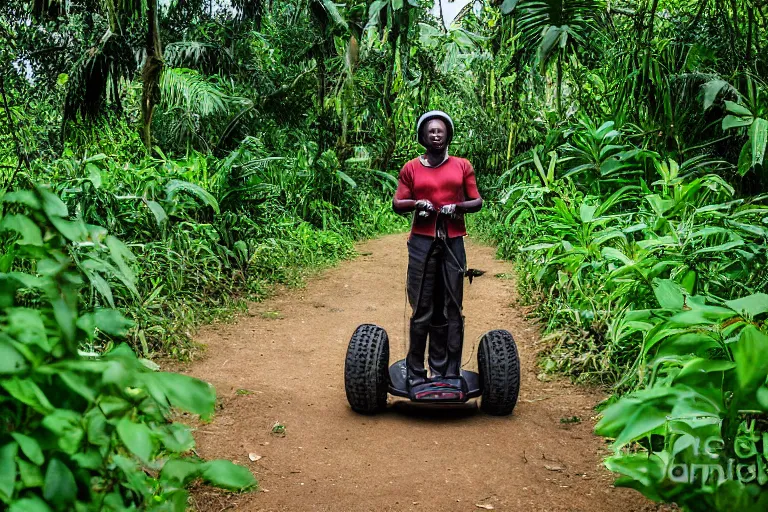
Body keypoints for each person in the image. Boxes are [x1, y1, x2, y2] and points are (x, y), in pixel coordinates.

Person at [392, 111, 483, 388]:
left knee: (452, 306)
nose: (436, 134)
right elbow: (397, 204)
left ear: (448, 135)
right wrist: (418, 203)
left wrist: (458, 207)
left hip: (452, 240)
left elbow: (477, 201)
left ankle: (448, 371)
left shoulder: (462, 166)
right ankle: (417, 371)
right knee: (422, 306)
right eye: (430, 131)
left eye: (440, 131)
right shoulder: (411, 168)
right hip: (422, 241)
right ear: (423, 137)